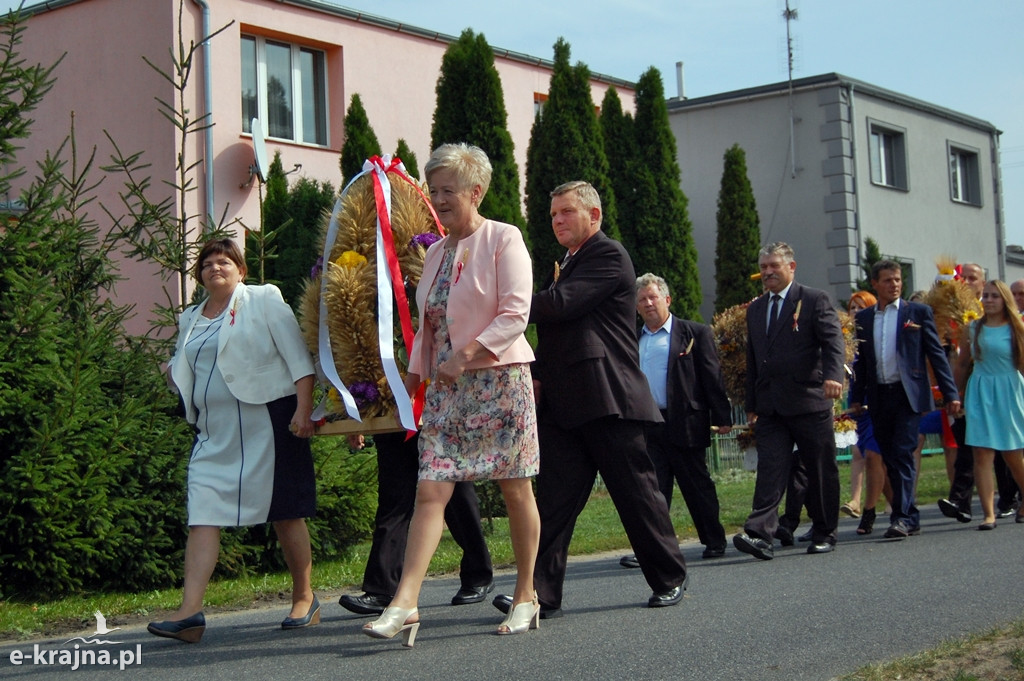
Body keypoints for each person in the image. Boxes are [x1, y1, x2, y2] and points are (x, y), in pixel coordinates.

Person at [361, 143, 541, 646]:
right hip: (444, 393)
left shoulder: (504, 239)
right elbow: (427, 330)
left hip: (499, 383)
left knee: (514, 489)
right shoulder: (436, 251)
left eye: (448, 191)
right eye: (433, 189)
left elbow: (515, 313)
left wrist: (467, 355)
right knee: (430, 490)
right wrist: (405, 388)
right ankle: (406, 602)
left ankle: (527, 594)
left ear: (476, 192)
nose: (437, 199)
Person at [494, 180, 688, 618]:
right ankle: (539, 593)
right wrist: (536, 375)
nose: (557, 221)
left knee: (636, 493)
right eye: (553, 215)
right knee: (554, 502)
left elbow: (561, 305)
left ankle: (669, 577)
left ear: (593, 215)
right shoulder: (565, 262)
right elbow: (554, 331)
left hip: (608, 397)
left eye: (566, 212)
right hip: (565, 404)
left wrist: (499, 304)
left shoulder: (608, 254)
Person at [148, 238, 318, 643]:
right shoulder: (191, 317)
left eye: (224, 261)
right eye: (207, 263)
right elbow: (187, 365)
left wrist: (303, 409)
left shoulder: (262, 299)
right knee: (203, 512)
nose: (214, 267)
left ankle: (304, 597)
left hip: (271, 419)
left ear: (241, 270)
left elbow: (298, 357)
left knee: (285, 511)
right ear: (200, 276)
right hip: (214, 430)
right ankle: (190, 615)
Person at [733, 242, 845, 560]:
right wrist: (751, 403)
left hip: (809, 401)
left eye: (774, 266)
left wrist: (833, 376)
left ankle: (824, 531)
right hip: (771, 406)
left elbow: (833, 341)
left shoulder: (812, 300)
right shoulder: (756, 309)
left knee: (820, 468)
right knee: (771, 468)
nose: (767, 272)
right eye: (764, 267)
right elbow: (754, 359)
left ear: (791, 267)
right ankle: (760, 534)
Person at [619, 273, 732, 568]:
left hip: (685, 421)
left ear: (667, 300)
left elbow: (712, 377)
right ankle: (653, 550)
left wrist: (722, 416)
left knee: (696, 485)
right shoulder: (632, 339)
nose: (647, 304)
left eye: (652, 297)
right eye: (641, 300)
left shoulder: (693, 334)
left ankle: (714, 540)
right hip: (648, 423)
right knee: (651, 492)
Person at [850, 260, 960, 539]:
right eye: (887, 280)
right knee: (888, 454)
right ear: (875, 284)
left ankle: (902, 517)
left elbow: (936, 355)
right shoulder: (863, 319)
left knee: (903, 452)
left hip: (908, 395)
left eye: (898, 280)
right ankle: (909, 514)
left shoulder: (918, 313)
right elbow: (861, 363)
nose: (894, 285)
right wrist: (855, 397)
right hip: (879, 395)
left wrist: (950, 394)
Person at [338, 432, 494, 615]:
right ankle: (382, 589)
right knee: (393, 503)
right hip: (393, 424)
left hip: (440, 421)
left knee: (459, 499)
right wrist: (359, 421)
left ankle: (478, 574)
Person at [953, 280, 1024, 528]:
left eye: (995, 296)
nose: (989, 300)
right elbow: (962, 363)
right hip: (981, 391)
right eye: (986, 295)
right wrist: (954, 393)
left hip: (1009, 390)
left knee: (1013, 455)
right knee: (981, 454)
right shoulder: (972, 328)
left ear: (1005, 300)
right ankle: (988, 514)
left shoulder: (1017, 328)